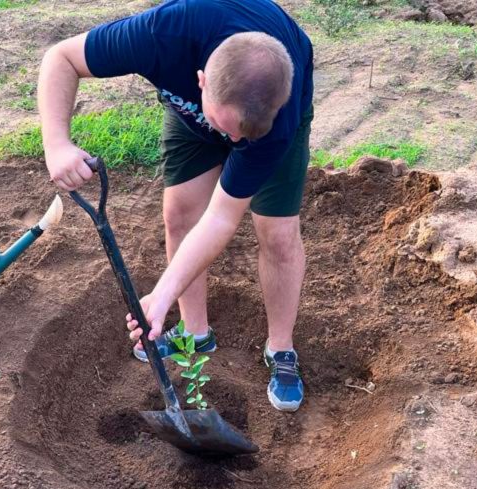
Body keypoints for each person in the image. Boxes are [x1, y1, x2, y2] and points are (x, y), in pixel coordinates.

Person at [37, 0, 314, 412]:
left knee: (276, 233)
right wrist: (56, 143)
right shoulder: (161, 35)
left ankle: (281, 349)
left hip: (261, 129)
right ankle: (194, 331)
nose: (231, 146)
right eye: (224, 128)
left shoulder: (275, 121)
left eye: (239, 138)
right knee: (180, 215)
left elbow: (222, 216)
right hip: (191, 116)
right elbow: (60, 57)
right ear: (200, 80)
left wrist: (160, 294)